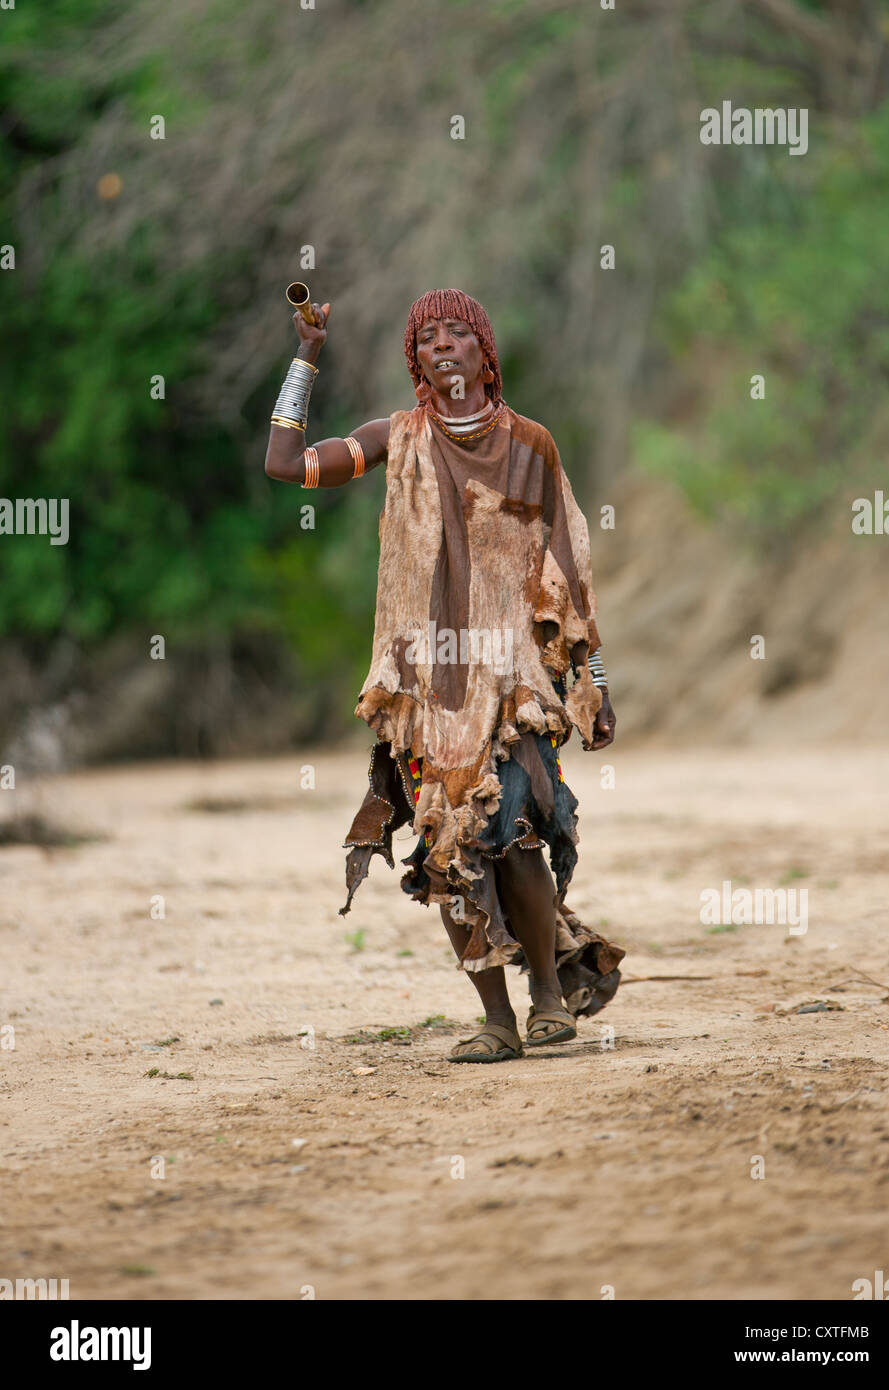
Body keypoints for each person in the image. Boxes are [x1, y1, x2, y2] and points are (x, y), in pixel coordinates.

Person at [265, 288, 624, 1063]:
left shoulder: (531, 444)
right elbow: (284, 463)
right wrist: (306, 356)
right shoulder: (399, 440)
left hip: (513, 684)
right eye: (426, 338)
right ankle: (493, 1018)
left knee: (518, 833)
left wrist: (592, 679)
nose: (442, 346)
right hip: (428, 691)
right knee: (446, 852)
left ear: (486, 354)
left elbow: (570, 573)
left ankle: (547, 1002)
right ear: (414, 361)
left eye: (459, 333)